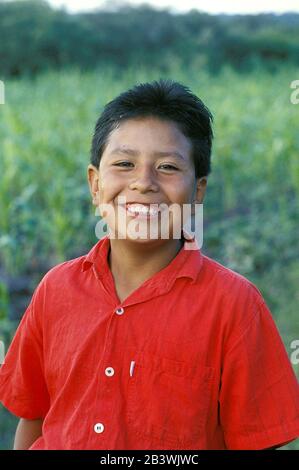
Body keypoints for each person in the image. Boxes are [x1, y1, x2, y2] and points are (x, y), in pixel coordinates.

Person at [0, 79, 298, 450]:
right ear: (95, 184)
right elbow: (34, 417)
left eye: (168, 167)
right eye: (124, 163)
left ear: (198, 190)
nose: (143, 182)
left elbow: (258, 440)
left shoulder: (234, 304)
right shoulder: (55, 288)